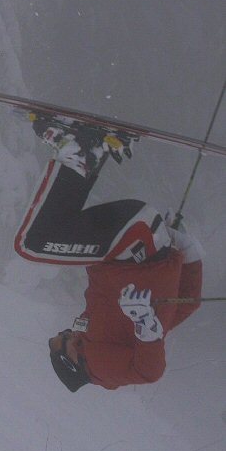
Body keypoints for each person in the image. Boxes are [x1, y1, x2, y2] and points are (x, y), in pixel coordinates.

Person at [14, 117, 204, 391]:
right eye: (60, 341)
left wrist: (186, 250)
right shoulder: (99, 368)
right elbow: (148, 372)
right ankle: (78, 152)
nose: (64, 332)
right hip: (134, 247)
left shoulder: (97, 337)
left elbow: (187, 302)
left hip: (139, 241)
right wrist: (146, 325)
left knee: (56, 231)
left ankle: (91, 151)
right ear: (71, 360)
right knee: (30, 245)